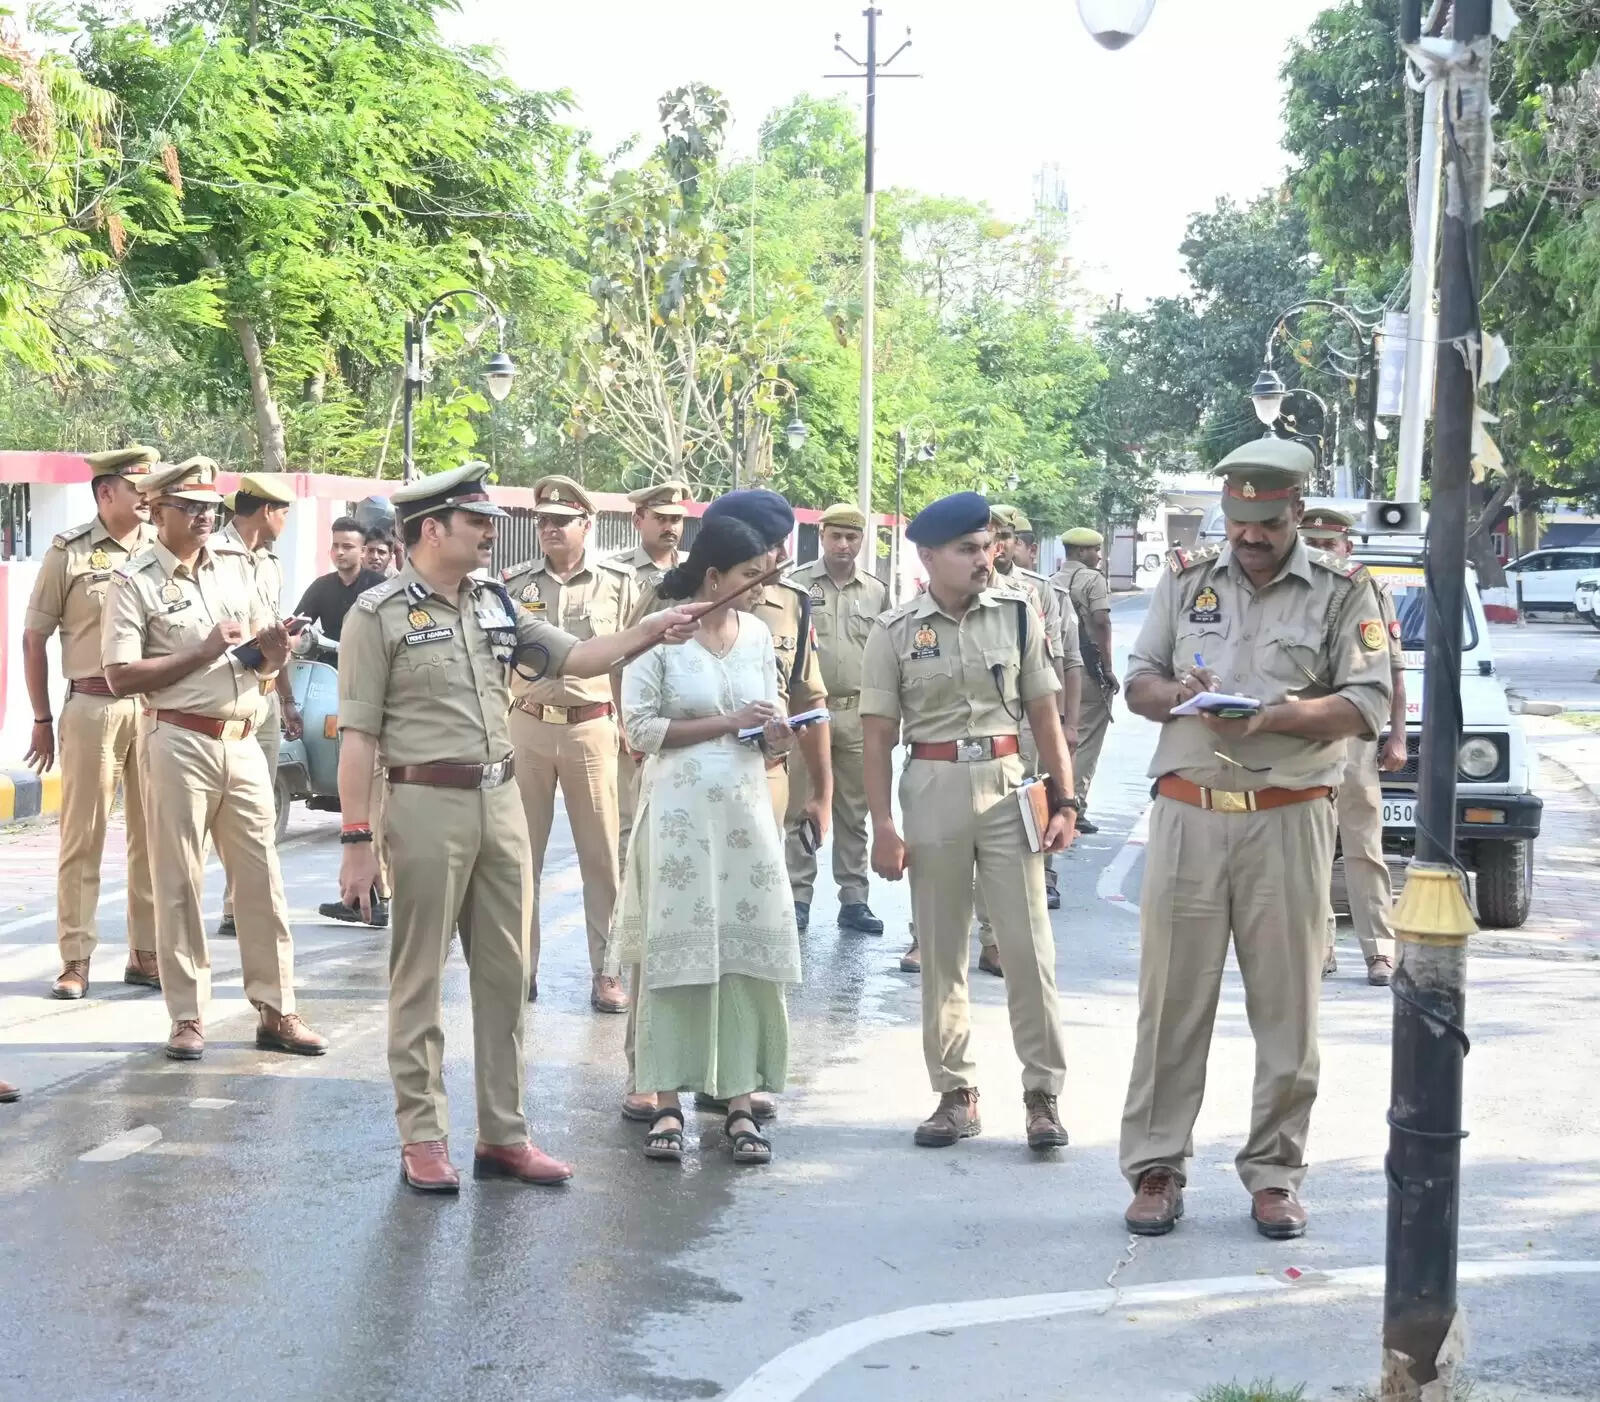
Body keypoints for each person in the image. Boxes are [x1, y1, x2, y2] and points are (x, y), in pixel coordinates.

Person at [334, 461, 704, 1194]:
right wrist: (355, 840)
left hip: (498, 799)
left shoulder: (495, 603)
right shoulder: (376, 614)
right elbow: (358, 738)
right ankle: (424, 1136)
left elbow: (577, 657)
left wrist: (653, 631)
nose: (488, 537)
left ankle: (503, 1134)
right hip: (424, 802)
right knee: (419, 981)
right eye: (476, 524)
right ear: (432, 529)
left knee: (506, 978)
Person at [1116, 438, 1392, 1241]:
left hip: (1288, 814)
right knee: (1170, 1003)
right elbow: (1139, 681)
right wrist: (1181, 694)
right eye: (1239, 520)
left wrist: (1272, 715)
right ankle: (1157, 1167)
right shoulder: (1187, 580)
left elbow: (1365, 702)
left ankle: (1275, 1173)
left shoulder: (1344, 589)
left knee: (1288, 1008)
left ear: (1295, 513)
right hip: (1188, 814)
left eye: (1266, 523)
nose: (1250, 537)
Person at [861, 491, 1079, 1152]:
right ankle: (955, 1094)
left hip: (1010, 787)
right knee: (942, 950)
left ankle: (1043, 1096)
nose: (985, 559)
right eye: (968, 550)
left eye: (988, 547)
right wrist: (883, 826)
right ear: (927, 557)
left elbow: (1045, 714)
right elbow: (876, 738)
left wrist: (1066, 802)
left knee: (1028, 949)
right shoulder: (895, 630)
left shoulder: (1017, 615)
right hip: (932, 787)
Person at [101, 457, 328, 1062]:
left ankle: (278, 1010)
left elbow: (257, 649)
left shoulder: (235, 567)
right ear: (157, 511)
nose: (205, 517)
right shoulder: (134, 581)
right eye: (191, 507)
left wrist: (276, 650)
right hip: (176, 739)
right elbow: (121, 675)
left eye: (210, 507)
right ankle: (186, 1016)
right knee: (179, 882)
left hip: (243, 739)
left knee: (263, 880)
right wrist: (202, 651)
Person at [620, 487, 828, 1126]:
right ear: (714, 576)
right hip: (679, 808)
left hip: (744, 810)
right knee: (676, 951)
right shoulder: (661, 632)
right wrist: (726, 721)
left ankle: (737, 1089)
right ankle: (662, 1096)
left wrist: (775, 735)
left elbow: (765, 716)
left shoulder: (761, 633)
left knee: (742, 952)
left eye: (767, 576)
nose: (762, 588)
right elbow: (641, 729)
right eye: (749, 576)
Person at [22, 446, 160, 999]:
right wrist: (40, 716)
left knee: (153, 837)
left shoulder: (164, 549)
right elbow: (35, 636)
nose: (147, 499)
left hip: (153, 708)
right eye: (136, 488)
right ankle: (75, 958)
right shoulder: (70, 553)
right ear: (107, 493)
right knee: (84, 837)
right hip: (91, 706)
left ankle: (145, 952)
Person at [502, 475, 637, 1012]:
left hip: (592, 727)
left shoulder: (619, 583)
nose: (550, 529)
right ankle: (520, 967)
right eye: (543, 521)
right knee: (518, 856)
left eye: (562, 520)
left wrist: (633, 728)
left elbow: (634, 660)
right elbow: (495, 662)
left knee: (602, 856)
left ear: (588, 522)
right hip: (527, 725)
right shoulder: (513, 584)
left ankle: (607, 971)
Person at [1300, 507, 1405, 986]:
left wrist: (1397, 735)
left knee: (1364, 847)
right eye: (1312, 543)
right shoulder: (1287, 591)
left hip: (1354, 739)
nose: (1320, 552)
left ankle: (1379, 951)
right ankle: (1318, 949)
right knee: (1310, 847)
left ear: (1347, 547)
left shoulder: (1369, 592)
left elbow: (1393, 671)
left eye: (1329, 544)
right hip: (1299, 738)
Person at [783, 502, 889, 936]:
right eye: (835, 537)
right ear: (821, 536)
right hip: (808, 714)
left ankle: (854, 899)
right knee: (802, 806)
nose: (843, 545)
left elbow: (886, 656)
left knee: (854, 811)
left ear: (862, 541)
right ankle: (797, 897)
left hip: (858, 714)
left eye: (852, 537)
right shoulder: (798, 586)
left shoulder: (876, 591)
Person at [215, 474, 301, 939]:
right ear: (267, 511)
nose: (286, 521)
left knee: (258, 809)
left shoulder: (270, 563)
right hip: (224, 696)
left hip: (264, 698)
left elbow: (273, 635)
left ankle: (239, 907)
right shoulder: (214, 556)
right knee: (223, 812)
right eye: (284, 511)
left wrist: (287, 698)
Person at [615, 480, 690, 871]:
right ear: (638, 519)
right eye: (660, 518)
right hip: (631, 718)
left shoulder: (696, 570)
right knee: (630, 826)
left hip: (681, 717)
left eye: (676, 519)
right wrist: (623, 722)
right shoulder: (616, 572)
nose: (671, 527)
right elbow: (613, 650)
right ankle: (627, 923)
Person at [1052, 527, 1118, 834]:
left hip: (1056, 669)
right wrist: (1107, 667)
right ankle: (1073, 804)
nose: (1099, 555)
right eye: (1095, 550)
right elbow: (1101, 621)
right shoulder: (1093, 579)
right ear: (1080, 553)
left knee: (1057, 734)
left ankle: (1053, 797)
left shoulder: (1051, 582)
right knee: (1085, 737)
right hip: (1088, 670)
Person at [292, 516, 384, 641]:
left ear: (363, 551)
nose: (339, 552)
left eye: (347, 547)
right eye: (335, 545)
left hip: (368, 657)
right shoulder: (321, 586)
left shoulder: (380, 586)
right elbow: (296, 626)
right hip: (328, 658)